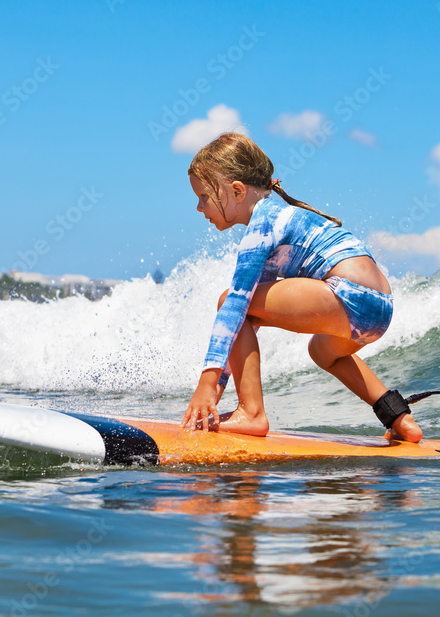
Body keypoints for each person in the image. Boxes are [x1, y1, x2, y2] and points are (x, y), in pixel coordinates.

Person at [180, 132, 423, 443]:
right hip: (380, 306)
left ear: (237, 191)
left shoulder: (262, 226)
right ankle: (398, 417)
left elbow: (235, 308)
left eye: (203, 197)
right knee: (323, 352)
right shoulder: (280, 218)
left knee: (230, 299)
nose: (200, 208)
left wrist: (207, 382)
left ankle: (252, 413)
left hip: (348, 292)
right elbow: (244, 327)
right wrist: (216, 390)